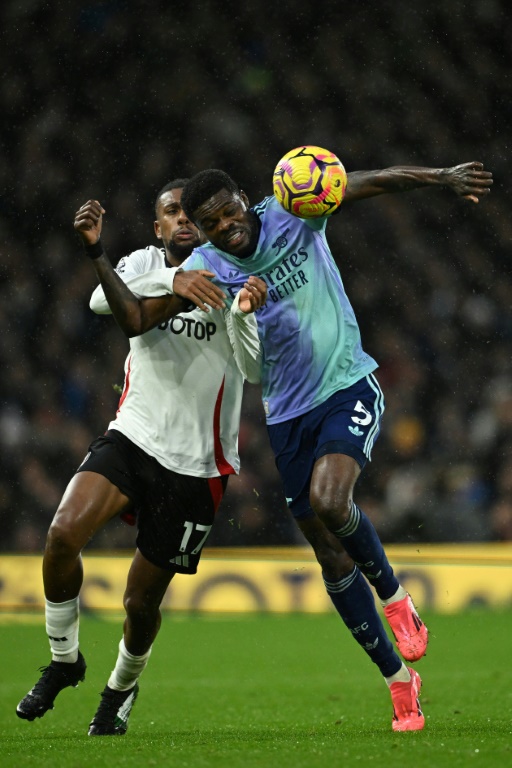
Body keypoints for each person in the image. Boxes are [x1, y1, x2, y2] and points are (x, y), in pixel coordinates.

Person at [129, 158, 493, 732]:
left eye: (228, 211)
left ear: (245, 200)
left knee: (330, 499)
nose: (225, 226)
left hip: (347, 381)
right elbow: (132, 313)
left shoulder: (295, 210)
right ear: (198, 229)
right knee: (327, 552)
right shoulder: (206, 266)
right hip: (285, 413)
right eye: (209, 222)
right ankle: (400, 681)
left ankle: (396, 598)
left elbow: (368, 182)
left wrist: (441, 178)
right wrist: (160, 277)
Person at [16, 180, 268, 736]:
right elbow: (103, 300)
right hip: (133, 437)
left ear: (204, 224)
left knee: (139, 604)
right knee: (61, 535)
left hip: (199, 464)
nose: (181, 219)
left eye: (189, 213)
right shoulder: (141, 262)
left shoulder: (230, 273)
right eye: (170, 212)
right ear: (158, 227)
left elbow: (255, 371)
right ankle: (64, 660)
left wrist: (246, 312)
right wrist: (175, 279)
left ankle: (120, 691)